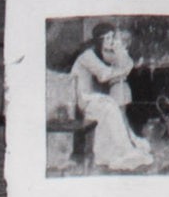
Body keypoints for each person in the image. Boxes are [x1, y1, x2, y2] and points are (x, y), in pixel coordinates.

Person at [65, 25, 156, 172]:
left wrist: (119, 51)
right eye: (107, 38)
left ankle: (120, 149)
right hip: (82, 100)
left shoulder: (100, 53)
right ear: (99, 40)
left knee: (111, 106)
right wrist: (122, 71)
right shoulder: (87, 56)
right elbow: (104, 74)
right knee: (110, 107)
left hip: (92, 98)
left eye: (112, 37)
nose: (111, 40)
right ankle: (120, 151)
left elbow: (127, 64)